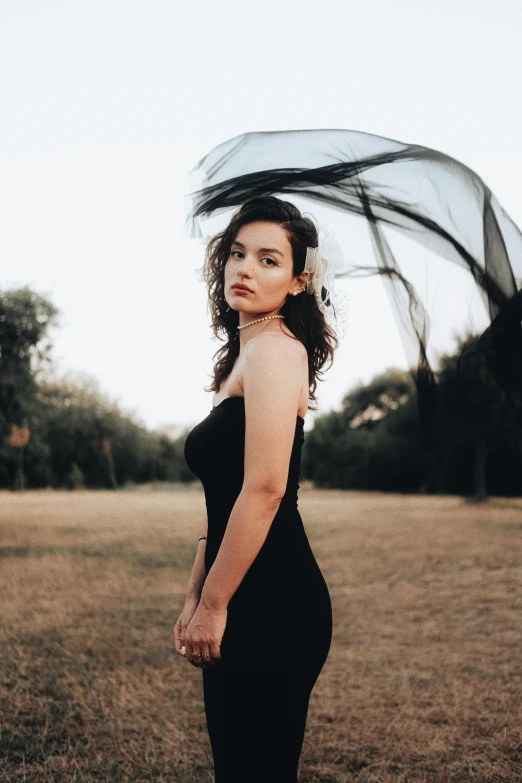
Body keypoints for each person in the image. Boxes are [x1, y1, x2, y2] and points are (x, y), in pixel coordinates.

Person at [174, 195, 341, 782]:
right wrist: (196, 594)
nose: (245, 268)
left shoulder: (274, 352)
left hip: (274, 599)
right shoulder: (239, 363)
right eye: (237, 253)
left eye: (269, 260)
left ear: (299, 282)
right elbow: (219, 500)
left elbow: (267, 490)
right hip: (240, 585)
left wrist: (214, 605)